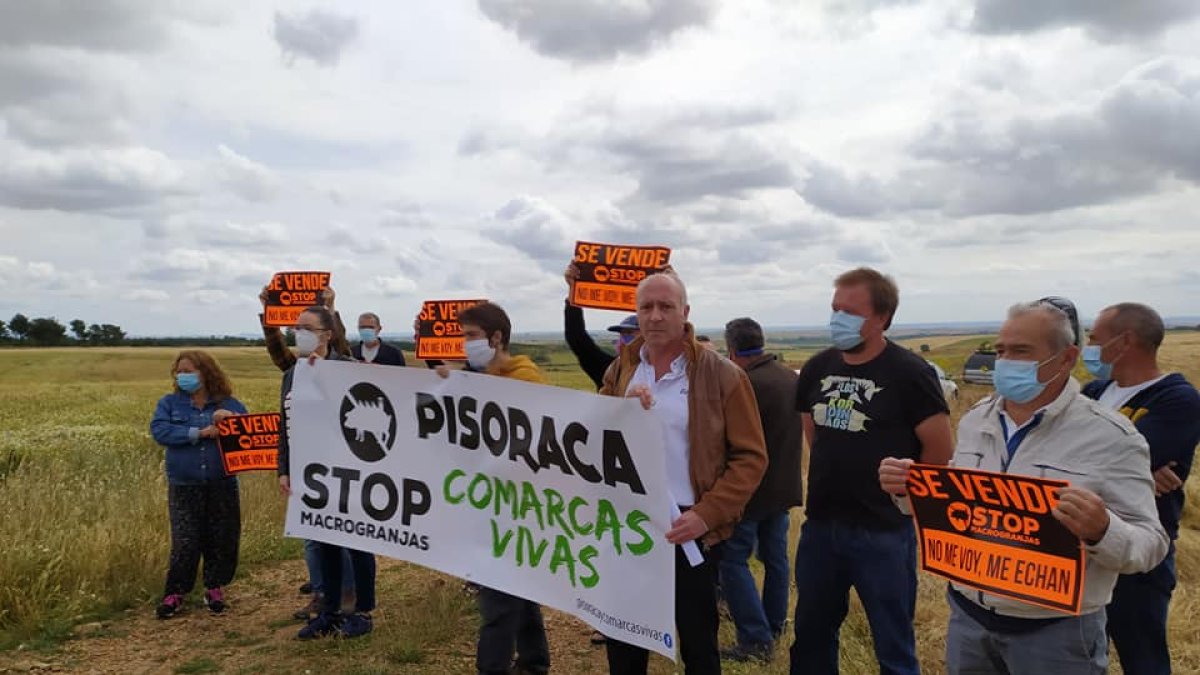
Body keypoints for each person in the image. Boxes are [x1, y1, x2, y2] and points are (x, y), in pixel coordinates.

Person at [880, 300, 1170, 674]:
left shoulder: (1111, 437)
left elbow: (1151, 544)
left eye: (1020, 351)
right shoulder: (973, 422)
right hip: (968, 621)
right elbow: (959, 505)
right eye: (1001, 350)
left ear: (1066, 358)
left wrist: (1103, 530)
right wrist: (909, 489)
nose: (1004, 362)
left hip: (1056, 636)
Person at [599, 271, 768, 675]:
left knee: (698, 644)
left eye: (665, 307)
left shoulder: (722, 375)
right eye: (646, 307)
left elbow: (751, 458)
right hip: (627, 527)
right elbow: (593, 433)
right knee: (624, 640)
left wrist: (706, 515)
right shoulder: (621, 369)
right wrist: (620, 406)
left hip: (688, 532)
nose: (655, 316)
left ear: (685, 313)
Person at [790, 267, 953, 675]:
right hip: (822, 526)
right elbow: (814, 431)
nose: (837, 319)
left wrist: (908, 497)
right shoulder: (817, 368)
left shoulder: (910, 373)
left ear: (880, 318)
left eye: (849, 311)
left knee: (893, 645)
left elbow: (939, 448)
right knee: (811, 634)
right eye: (834, 309)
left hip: (884, 532)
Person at [1081, 302, 1200, 675]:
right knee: (1079, 650)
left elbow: (1080, 460)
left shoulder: (1178, 399)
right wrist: (1142, 473)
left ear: (1125, 341)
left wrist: (1110, 465)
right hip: (1084, 546)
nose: (1088, 346)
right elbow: (1065, 453)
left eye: (1094, 338)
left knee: (1142, 656)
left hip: (1140, 549)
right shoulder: (1094, 390)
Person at [434, 301, 551, 675]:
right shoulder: (475, 377)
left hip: (516, 508)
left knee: (498, 603)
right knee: (521, 592)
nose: (464, 344)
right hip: (489, 503)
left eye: (470, 336)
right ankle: (534, 663)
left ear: (496, 337)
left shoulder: (524, 379)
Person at [276, 305, 377, 640]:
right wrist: (284, 469)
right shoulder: (292, 374)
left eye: (307, 327)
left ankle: (359, 611)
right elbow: (284, 426)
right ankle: (330, 611)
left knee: (356, 543)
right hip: (310, 475)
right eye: (296, 327)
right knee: (323, 542)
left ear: (327, 334)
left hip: (349, 472)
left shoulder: (347, 369)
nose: (298, 332)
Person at [718, 318, 803, 663]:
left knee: (732, 561)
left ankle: (755, 641)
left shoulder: (743, 383)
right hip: (783, 490)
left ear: (732, 349)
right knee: (777, 561)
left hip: (749, 493)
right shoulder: (789, 378)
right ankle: (775, 625)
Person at [149, 350, 248, 618]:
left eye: (189, 371)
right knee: (185, 540)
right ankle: (175, 593)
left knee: (221, 537)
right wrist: (200, 432)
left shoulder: (228, 403)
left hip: (221, 482)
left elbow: (248, 432)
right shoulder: (169, 404)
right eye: (179, 372)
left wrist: (231, 421)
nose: (183, 377)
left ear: (206, 373)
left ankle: (214, 588)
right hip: (184, 483)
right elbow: (160, 431)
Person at [562, 262, 639, 388]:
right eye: (622, 334)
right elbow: (577, 337)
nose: (624, 340)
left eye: (630, 333)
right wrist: (574, 291)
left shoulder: (666, 370)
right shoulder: (609, 370)